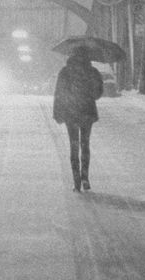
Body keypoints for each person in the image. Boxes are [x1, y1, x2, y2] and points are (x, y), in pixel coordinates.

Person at [52, 46, 104, 192]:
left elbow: (59, 94)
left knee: (74, 146)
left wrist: (58, 113)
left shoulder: (65, 72)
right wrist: (88, 94)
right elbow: (98, 93)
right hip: (87, 112)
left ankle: (76, 182)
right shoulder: (92, 72)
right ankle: (85, 178)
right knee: (85, 145)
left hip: (71, 113)